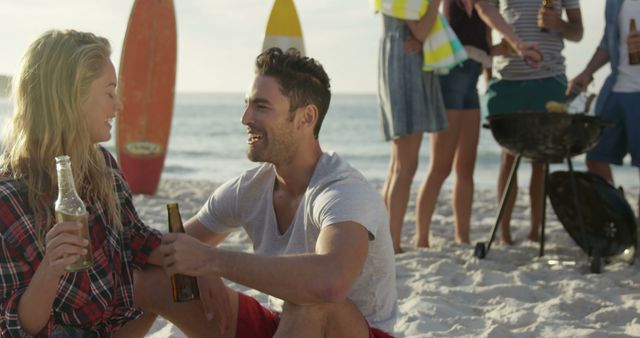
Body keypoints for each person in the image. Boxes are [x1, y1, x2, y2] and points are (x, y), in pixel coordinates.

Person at [135, 48, 397, 337]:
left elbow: (331, 282)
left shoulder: (343, 191)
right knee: (152, 279)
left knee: (310, 301)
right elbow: (170, 250)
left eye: (261, 106)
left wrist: (211, 260)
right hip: (287, 325)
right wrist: (195, 264)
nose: (245, 118)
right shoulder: (250, 188)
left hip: (352, 329)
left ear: (306, 118)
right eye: (247, 104)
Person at [0, 29, 167, 336]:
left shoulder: (102, 166)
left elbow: (136, 239)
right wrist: (50, 269)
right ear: (69, 98)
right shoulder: (8, 200)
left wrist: (201, 266)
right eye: (109, 92)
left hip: (113, 326)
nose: (119, 106)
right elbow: (17, 329)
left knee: (177, 284)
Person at [415, 0, 543, 247]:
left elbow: (473, 40)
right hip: (452, 74)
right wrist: (518, 44)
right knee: (440, 166)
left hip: (470, 79)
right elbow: (485, 10)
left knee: (466, 168)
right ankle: (421, 238)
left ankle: (462, 236)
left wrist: (496, 51)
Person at [481, 0, 583, 244]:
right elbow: (485, 16)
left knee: (541, 159)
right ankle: (504, 233)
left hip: (549, 78)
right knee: (508, 157)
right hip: (508, 79)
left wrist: (558, 24)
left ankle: (535, 231)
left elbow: (578, 32)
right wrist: (487, 72)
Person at [377, 0, 448, 253]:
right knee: (405, 166)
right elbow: (420, 31)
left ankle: (387, 239)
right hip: (405, 67)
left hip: (397, 62)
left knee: (398, 165)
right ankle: (392, 243)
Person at [566, 0, 640, 219]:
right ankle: (620, 218)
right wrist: (587, 73)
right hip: (616, 89)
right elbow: (608, 42)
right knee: (596, 157)